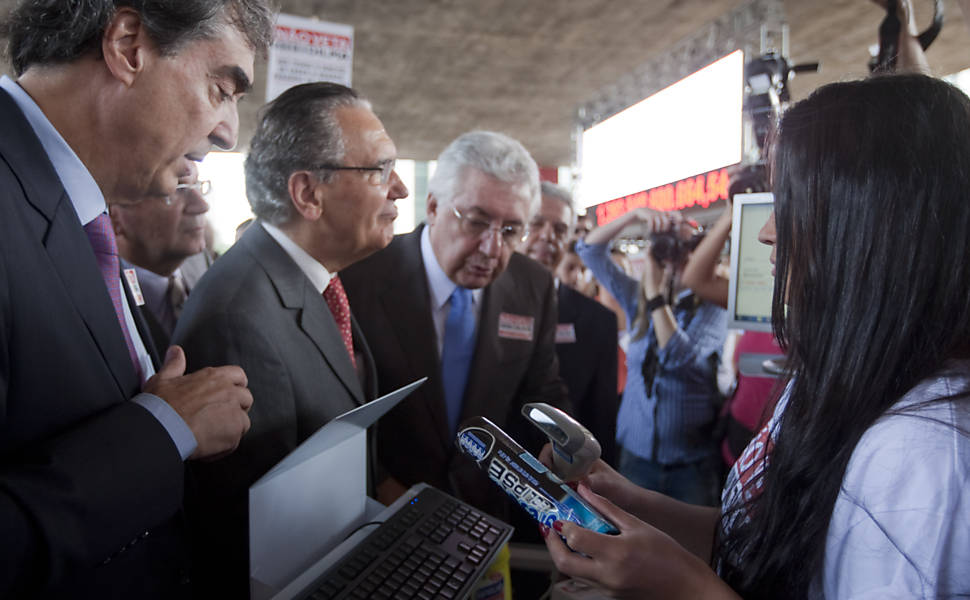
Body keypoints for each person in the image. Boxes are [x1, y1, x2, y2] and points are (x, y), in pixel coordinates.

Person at [541, 74, 970, 599]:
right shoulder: (832, 379)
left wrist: (683, 586)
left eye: (790, 201)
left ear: (870, 224)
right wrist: (629, 500)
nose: (767, 231)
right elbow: (761, 545)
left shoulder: (923, 454)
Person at [0, 1, 273, 597]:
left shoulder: (75, 208)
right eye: (222, 88)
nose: (229, 132)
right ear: (128, 46)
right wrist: (163, 431)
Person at [171, 82, 408, 597]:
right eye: (380, 170)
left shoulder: (315, 280)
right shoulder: (240, 316)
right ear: (308, 194)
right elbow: (255, 540)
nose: (400, 190)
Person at [340, 130, 571, 520]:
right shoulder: (361, 277)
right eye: (477, 223)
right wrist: (381, 486)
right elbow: (338, 413)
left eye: (512, 230)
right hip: (379, 511)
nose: (493, 249)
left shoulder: (532, 285)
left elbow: (541, 389)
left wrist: (559, 443)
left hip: (487, 512)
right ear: (432, 207)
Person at [577, 209, 727, 505]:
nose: (675, 260)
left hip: (690, 463)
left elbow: (676, 357)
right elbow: (589, 250)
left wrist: (657, 297)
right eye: (666, 249)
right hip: (636, 455)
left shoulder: (714, 307)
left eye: (685, 250)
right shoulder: (637, 299)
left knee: (688, 547)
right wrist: (633, 216)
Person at [524, 181, 619, 466]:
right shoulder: (475, 304)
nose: (547, 237)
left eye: (559, 230)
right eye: (536, 224)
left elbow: (601, 419)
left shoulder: (598, 321)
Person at [110, 162, 211, 352]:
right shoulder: (102, 295)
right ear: (116, 216)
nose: (202, 205)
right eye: (176, 190)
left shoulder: (200, 262)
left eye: (197, 186)